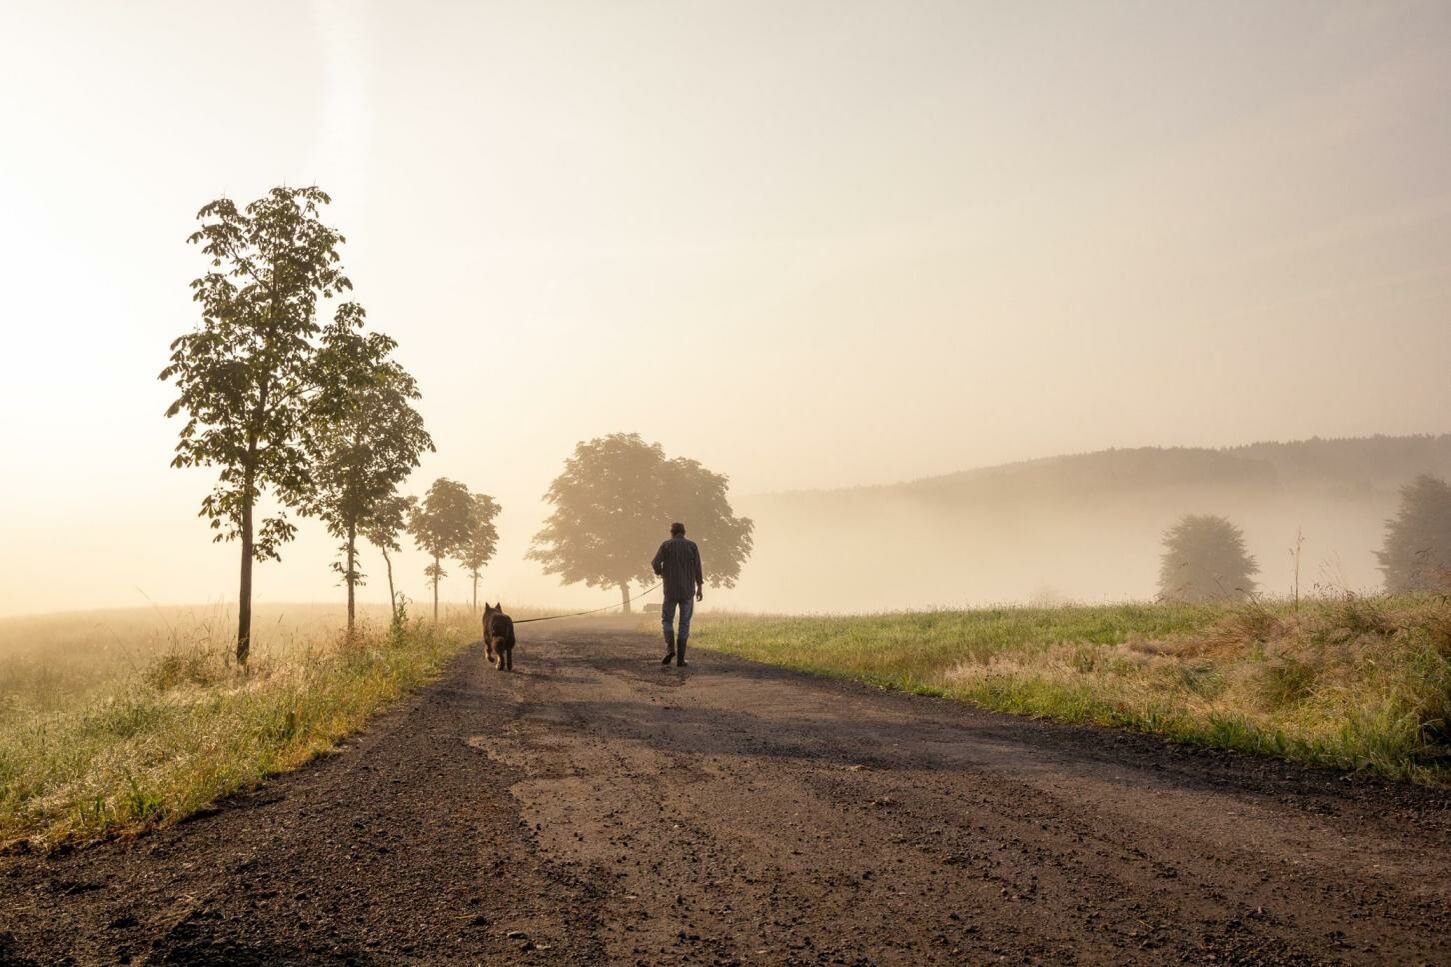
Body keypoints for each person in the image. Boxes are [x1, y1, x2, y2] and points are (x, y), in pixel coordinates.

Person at [651, 521, 703, 667]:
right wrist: (699, 587)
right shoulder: (692, 546)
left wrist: (661, 572)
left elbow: (655, 563)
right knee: (684, 623)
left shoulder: (666, 545)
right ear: (684, 532)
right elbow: (698, 568)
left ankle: (670, 650)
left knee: (667, 620)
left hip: (670, 590)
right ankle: (680, 660)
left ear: (671, 532)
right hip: (687, 590)